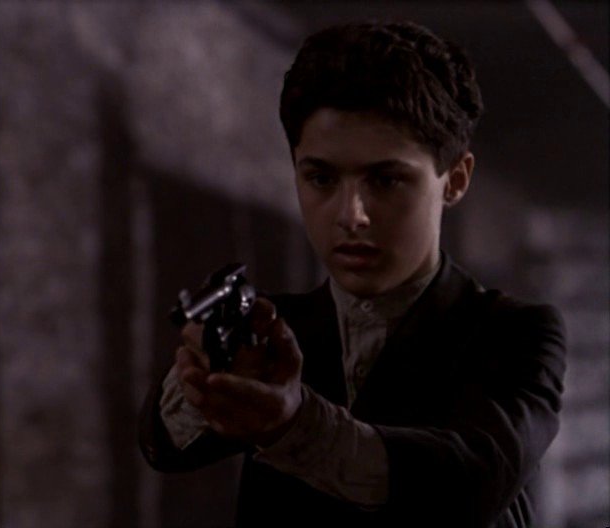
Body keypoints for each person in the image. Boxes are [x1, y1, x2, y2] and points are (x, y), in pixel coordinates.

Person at [139, 20, 566, 528]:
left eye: (386, 180)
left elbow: (467, 485)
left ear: (455, 180)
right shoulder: (275, 333)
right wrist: (200, 382)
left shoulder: (515, 334)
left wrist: (294, 425)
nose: (351, 216)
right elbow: (162, 447)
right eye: (321, 178)